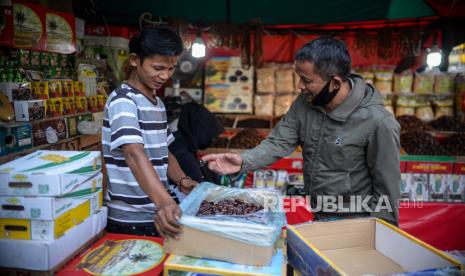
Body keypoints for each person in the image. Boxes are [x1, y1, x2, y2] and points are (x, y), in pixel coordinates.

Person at [203, 36, 401, 225]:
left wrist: (381, 235)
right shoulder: (306, 103)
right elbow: (279, 141)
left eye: (306, 80)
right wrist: (245, 161)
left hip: (355, 220)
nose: (299, 86)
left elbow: (387, 188)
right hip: (317, 211)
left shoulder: (378, 122)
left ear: (335, 83)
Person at [102, 27, 198, 238]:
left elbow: (165, 151)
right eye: (158, 68)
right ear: (135, 60)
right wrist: (164, 202)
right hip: (130, 219)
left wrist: (182, 181)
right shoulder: (123, 101)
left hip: (158, 213)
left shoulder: (157, 103)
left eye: (171, 68)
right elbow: (133, 154)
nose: (165, 76)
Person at [169, 102, 224, 185]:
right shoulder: (183, 154)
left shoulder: (183, 143)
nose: (211, 140)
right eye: (208, 135)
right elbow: (199, 188)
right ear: (199, 130)